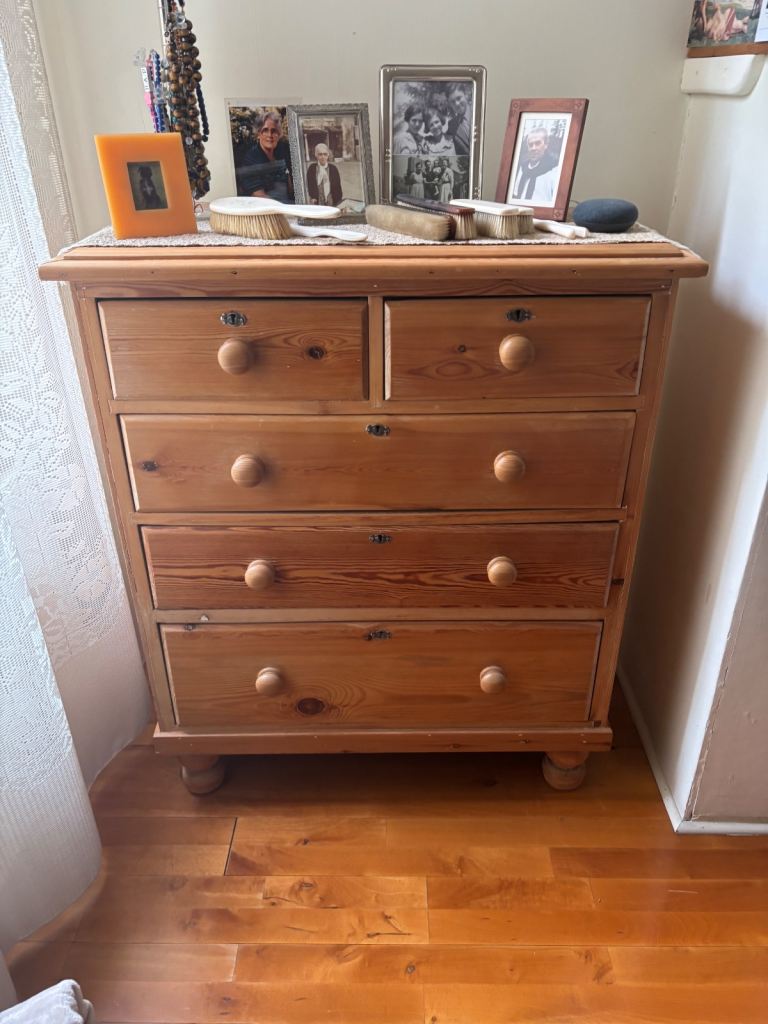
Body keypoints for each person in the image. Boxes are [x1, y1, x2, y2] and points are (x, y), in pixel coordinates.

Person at [234, 110, 293, 202]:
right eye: (265, 130)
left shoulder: (282, 154)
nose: (270, 135)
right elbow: (260, 197)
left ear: (279, 134)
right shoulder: (250, 159)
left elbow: (290, 189)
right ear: (258, 134)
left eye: (274, 131)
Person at [511, 127, 559, 204]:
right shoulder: (523, 167)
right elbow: (516, 194)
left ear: (546, 145)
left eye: (537, 143)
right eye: (530, 145)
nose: (533, 148)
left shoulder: (554, 170)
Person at [448, 85, 472, 156]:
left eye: (459, 98)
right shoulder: (452, 125)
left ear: (466, 95)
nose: (457, 104)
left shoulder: (480, 112)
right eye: (452, 102)